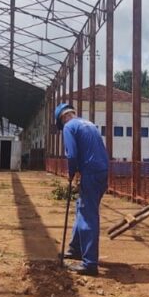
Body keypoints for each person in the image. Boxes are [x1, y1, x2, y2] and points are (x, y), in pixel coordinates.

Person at [55, 102, 109, 276]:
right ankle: (76, 249)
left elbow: (72, 154)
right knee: (81, 208)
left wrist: (72, 174)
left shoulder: (69, 127)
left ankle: (90, 264)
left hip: (91, 174)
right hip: (101, 173)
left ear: (63, 118)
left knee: (88, 215)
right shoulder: (90, 124)